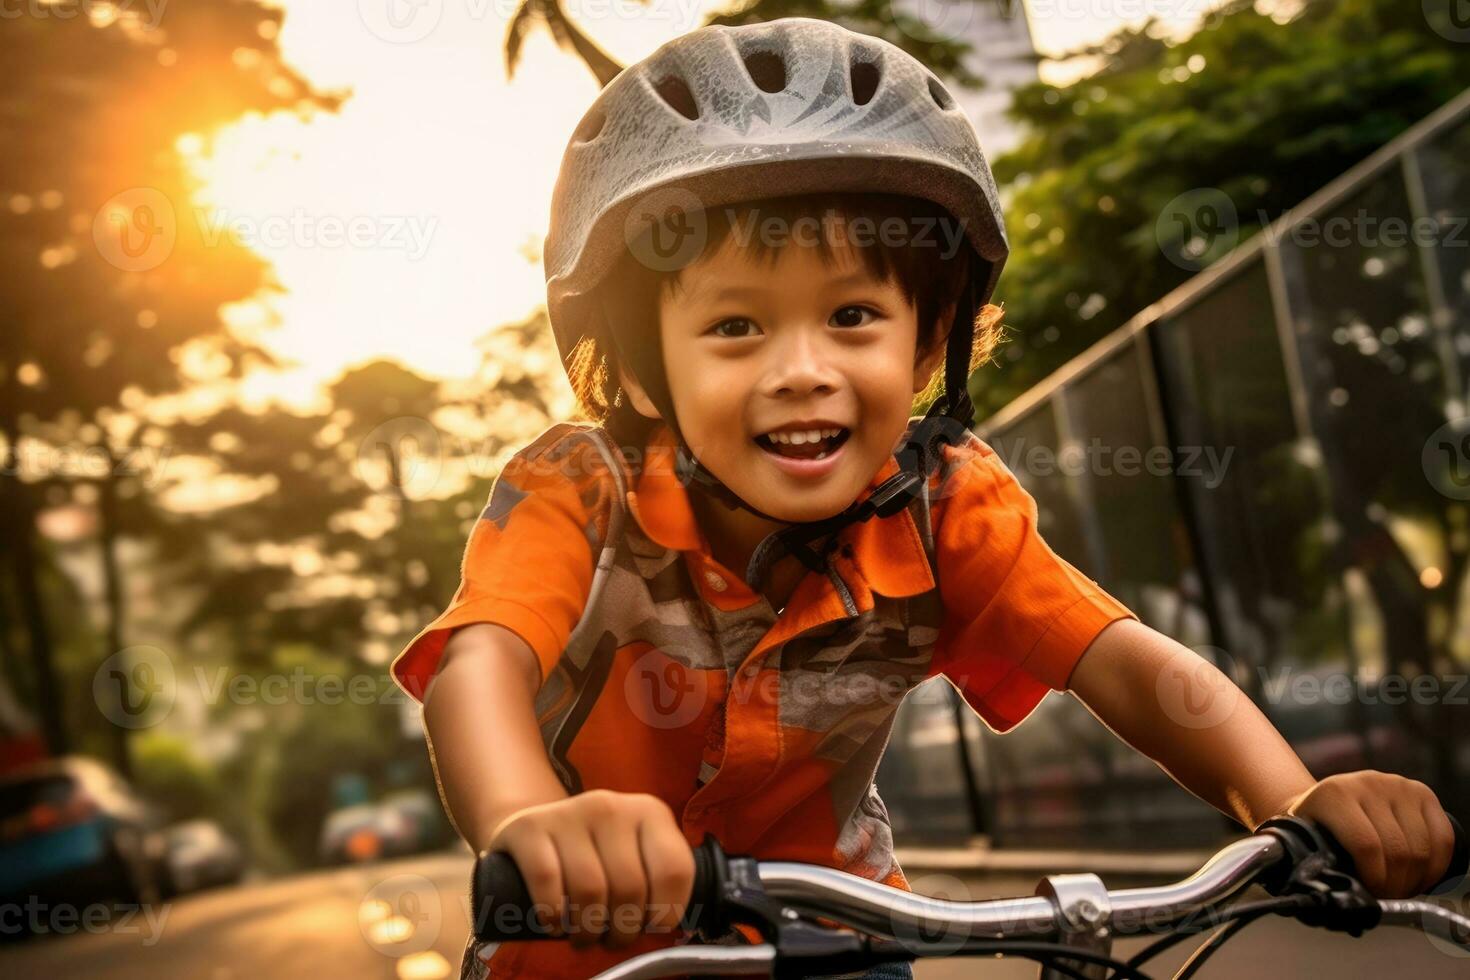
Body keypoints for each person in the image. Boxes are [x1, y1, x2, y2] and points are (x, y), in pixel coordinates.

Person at [390, 18, 1460, 980]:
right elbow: (478, 666)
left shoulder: (946, 505)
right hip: (583, 955)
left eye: (854, 314)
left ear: (929, 341)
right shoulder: (576, 490)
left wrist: (1292, 802)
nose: (802, 368)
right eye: (734, 327)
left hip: (839, 944)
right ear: (636, 369)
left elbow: (1129, 661)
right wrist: (531, 821)